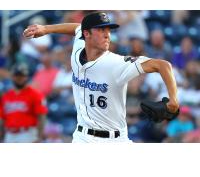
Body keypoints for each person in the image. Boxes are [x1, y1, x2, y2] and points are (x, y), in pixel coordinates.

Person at [23, 11, 179, 143]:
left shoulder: (116, 63)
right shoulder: (78, 45)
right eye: (101, 30)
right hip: (81, 137)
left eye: (108, 30)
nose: (107, 35)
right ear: (87, 34)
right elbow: (76, 28)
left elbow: (163, 65)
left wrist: (173, 101)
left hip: (114, 140)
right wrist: (46, 29)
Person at [0, 63, 48, 143]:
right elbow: (2, 119)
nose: (19, 78)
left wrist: (39, 136)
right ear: (12, 77)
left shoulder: (35, 94)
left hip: (27, 134)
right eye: (17, 75)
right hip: (9, 135)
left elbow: (41, 116)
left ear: (26, 77)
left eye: (22, 76)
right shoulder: (6, 96)